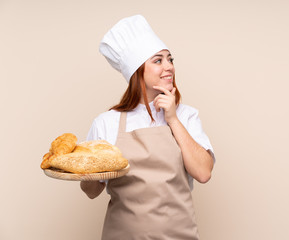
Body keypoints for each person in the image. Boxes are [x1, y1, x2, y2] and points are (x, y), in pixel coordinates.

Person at [80, 15, 215, 240]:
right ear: (137, 70)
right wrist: (89, 167)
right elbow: (91, 192)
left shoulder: (186, 116)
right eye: (158, 60)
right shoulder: (107, 122)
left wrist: (172, 119)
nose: (169, 66)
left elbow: (203, 173)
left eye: (170, 59)